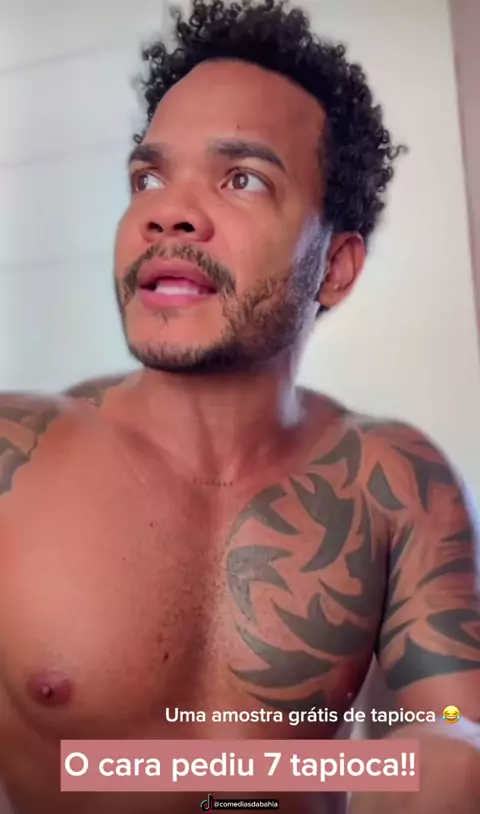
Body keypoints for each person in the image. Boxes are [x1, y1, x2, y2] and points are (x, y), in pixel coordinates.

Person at [0, 1, 479, 812]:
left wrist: (444, 754)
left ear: (336, 268)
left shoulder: (399, 480)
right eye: (149, 178)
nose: (166, 212)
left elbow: (453, 719)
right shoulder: (15, 457)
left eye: (243, 179)